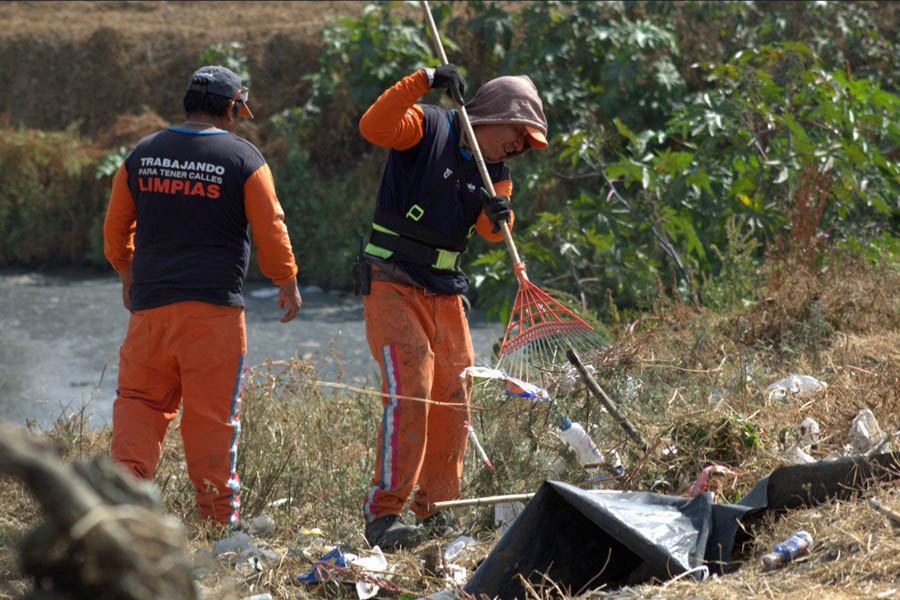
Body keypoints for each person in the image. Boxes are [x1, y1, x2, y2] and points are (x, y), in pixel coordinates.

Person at [357, 64, 548, 549]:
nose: (519, 148)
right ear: (495, 115)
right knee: (413, 390)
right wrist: (424, 78)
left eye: (528, 145)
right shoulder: (429, 124)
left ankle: (438, 509)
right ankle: (384, 516)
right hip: (392, 281)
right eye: (519, 135)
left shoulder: (497, 174)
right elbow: (373, 127)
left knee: (455, 395)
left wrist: (498, 213)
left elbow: (489, 232)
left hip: (445, 291)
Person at [103, 65, 302, 526]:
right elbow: (271, 228)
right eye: (239, 110)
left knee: (139, 404)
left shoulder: (142, 154)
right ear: (232, 107)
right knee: (212, 419)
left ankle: (119, 511)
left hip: (150, 310)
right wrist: (286, 280)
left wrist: (126, 273)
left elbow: (116, 229)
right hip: (213, 314)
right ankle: (215, 522)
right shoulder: (244, 158)